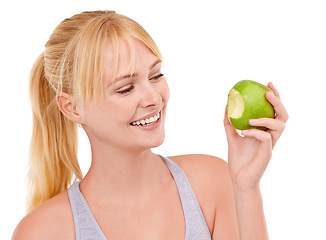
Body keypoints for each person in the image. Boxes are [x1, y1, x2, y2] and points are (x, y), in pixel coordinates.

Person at [12, 10, 288, 240]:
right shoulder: (43, 231)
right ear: (72, 108)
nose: (154, 98)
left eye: (156, 75)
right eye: (125, 88)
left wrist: (246, 189)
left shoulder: (214, 183)